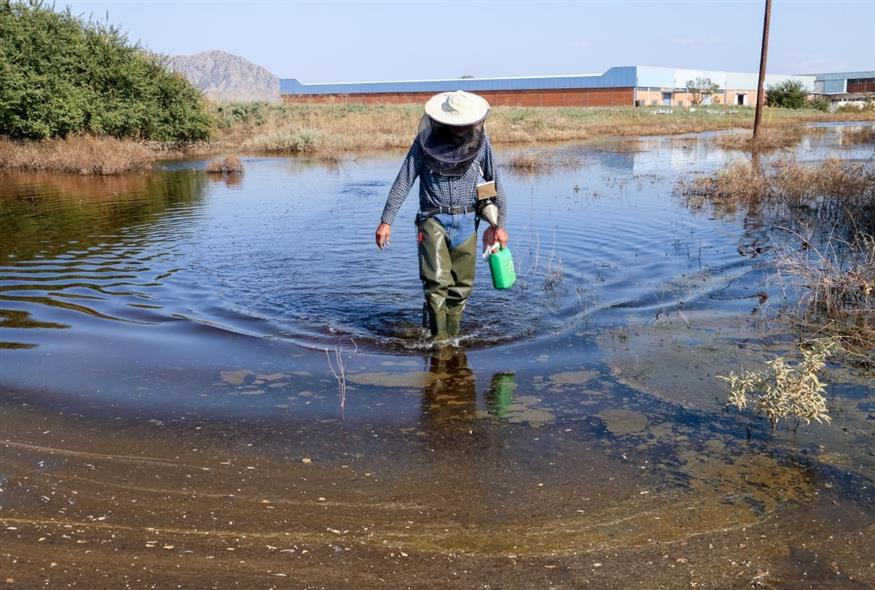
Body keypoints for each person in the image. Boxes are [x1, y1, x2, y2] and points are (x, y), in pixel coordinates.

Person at [375, 90, 509, 340]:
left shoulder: (482, 143)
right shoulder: (424, 142)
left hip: (467, 221)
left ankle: (453, 341)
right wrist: (386, 220)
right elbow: (403, 180)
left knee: (461, 287)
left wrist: (499, 225)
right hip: (432, 219)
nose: (460, 128)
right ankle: (439, 345)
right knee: (436, 283)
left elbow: (496, 183)